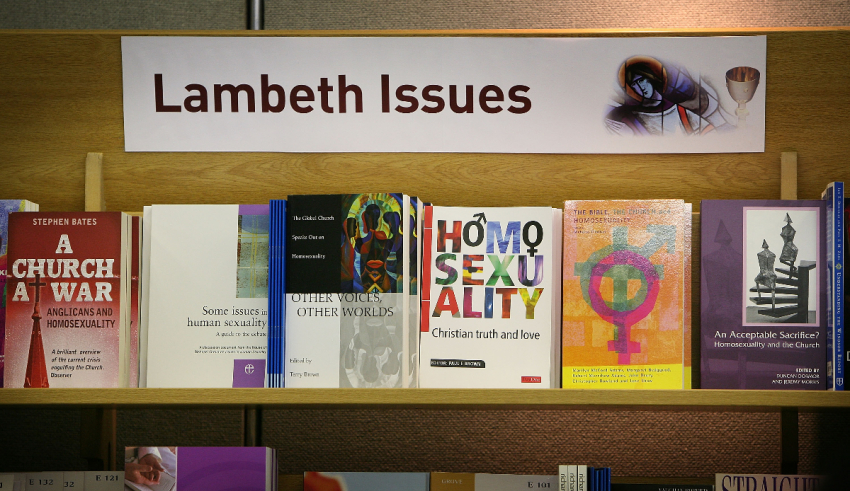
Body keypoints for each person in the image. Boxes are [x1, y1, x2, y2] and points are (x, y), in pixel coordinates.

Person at [605, 56, 733, 136]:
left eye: (642, 80)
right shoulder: (630, 116)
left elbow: (709, 134)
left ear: (652, 78)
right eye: (634, 84)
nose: (640, 87)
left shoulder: (680, 112)